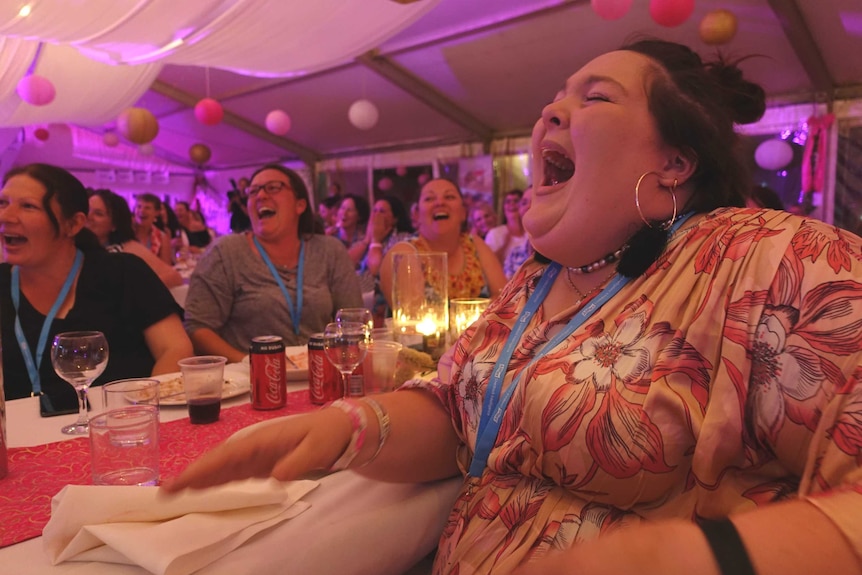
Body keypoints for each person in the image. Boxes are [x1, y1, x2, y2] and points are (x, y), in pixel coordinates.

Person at [164, 40, 862, 575]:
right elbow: (456, 411)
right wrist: (349, 425)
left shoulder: (768, 258)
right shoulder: (537, 281)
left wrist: (697, 557)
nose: (551, 111)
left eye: (596, 99)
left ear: (676, 161)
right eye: (555, 98)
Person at [1, 164, 193, 411]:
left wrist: (144, 411)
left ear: (73, 224)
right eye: (3, 203)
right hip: (19, 440)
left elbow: (174, 347)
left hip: (120, 427)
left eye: (28, 206)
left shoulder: (122, 272)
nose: (6, 216)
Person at [183, 164, 363, 363]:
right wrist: (250, 364)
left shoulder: (329, 251)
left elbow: (353, 320)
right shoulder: (226, 252)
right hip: (252, 381)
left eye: (273, 187)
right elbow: (198, 327)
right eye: (253, 191)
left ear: (300, 205)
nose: (260, 195)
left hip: (319, 373)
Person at [379, 178, 506, 302]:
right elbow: (413, 317)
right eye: (429, 198)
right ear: (417, 215)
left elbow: (506, 299)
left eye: (449, 197)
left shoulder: (474, 244)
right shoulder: (404, 253)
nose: (440, 203)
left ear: (463, 212)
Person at [86, 188, 184, 289]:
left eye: (98, 214)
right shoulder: (74, 245)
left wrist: (132, 290)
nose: (88, 216)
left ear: (114, 225)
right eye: (86, 209)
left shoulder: (127, 247)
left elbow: (174, 276)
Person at [356, 195, 414, 324]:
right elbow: (347, 261)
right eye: (374, 211)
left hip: (378, 302)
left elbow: (376, 270)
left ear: (394, 218)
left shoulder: (402, 239)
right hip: (358, 297)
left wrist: (376, 240)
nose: (376, 215)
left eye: (382, 211)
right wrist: (367, 240)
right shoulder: (364, 237)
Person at [484, 188, 531, 279]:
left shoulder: (531, 233)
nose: (511, 204)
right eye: (508, 201)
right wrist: (505, 244)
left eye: (516, 201)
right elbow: (488, 268)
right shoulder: (495, 234)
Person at [502, 186, 534, 278]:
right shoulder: (514, 256)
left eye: (535, 201)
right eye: (524, 203)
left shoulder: (559, 252)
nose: (528, 206)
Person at [133, 192, 173, 265]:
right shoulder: (125, 232)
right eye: (139, 206)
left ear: (157, 212)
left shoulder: (162, 237)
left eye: (147, 208)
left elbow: (166, 267)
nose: (142, 211)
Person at [334, 193, 371, 264]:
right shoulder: (330, 238)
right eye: (342, 208)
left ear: (359, 216)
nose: (344, 213)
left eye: (349, 210)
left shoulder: (364, 239)